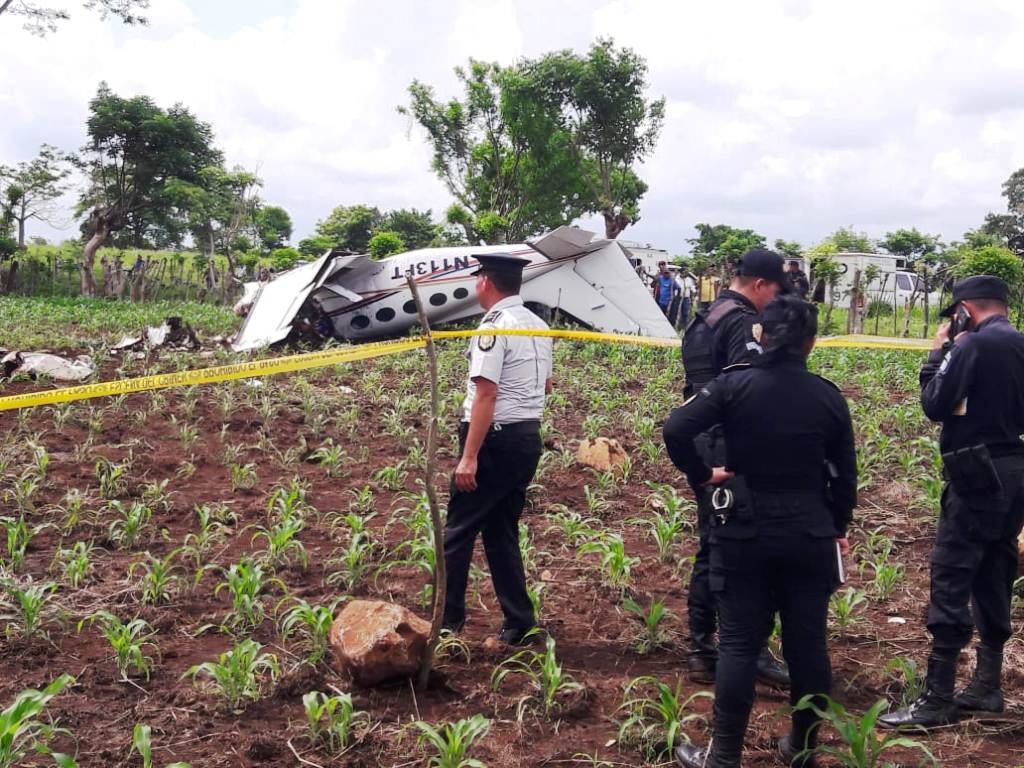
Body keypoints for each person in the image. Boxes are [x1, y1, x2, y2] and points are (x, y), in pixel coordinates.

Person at [666, 295, 857, 768]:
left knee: (737, 642)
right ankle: (803, 749)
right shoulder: (828, 396)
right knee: (808, 643)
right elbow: (846, 476)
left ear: (760, 335)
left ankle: (724, 755)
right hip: (809, 534)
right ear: (811, 343)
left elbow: (676, 429)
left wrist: (701, 474)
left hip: (745, 531)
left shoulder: (734, 387)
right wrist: (837, 527)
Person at [879, 275, 1024, 729]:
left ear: (964, 309)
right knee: (995, 570)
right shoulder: (1020, 343)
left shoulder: (971, 347)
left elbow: (935, 403)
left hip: (975, 474)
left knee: (953, 571)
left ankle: (938, 698)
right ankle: (986, 685)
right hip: (1016, 471)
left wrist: (938, 353)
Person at [679, 248, 792, 688]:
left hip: (705, 439)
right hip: (729, 445)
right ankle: (740, 647)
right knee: (737, 547)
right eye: (776, 291)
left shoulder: (704, 317)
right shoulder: (742, 322)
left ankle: (701, 645)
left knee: (713, 544)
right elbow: (749, 391)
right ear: (761, 284)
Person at [441, 253, 554, 646]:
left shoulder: (494, 327)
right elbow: (545, 386)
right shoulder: (537, 325)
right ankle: (519, 621)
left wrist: (469, 456)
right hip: (526, 438)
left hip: (495, 440)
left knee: (456, 532)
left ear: (486, 281)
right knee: (499, 530)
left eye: (478, 279)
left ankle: (447, 623)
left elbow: (486, 393)